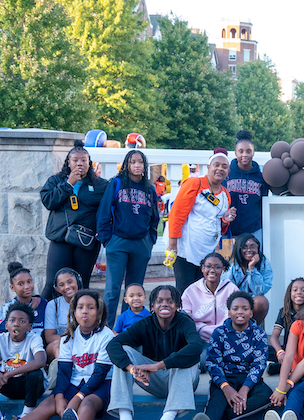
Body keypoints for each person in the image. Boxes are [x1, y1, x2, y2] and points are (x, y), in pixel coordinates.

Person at [0, 290, 114, 420]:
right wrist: (60, 396)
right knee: (49, 403)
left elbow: (99, 374)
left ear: (99, 312)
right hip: (76, 382)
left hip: (102, 384)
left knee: (87, 403)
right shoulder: (68, 338)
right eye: (80, 307)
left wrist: (77, 398)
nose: (85, 311)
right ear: (73, 312)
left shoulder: (106, 336)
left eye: (90, 307)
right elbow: (63, 372)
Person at [103, 284, 205, 420]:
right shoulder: (144, 324)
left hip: (183, 381)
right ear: (152, 306)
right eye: (159, 301)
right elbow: (113, 345)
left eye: (170, 301)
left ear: (178, 306)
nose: (165, 304)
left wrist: (159, 365)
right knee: (124, 352)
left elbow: (196, 347)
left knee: (187, 356)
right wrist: (132, 369)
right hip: (153, 381)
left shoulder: (185, 322)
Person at [191, 292, 270, 420]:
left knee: (266, 395)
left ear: (251, 313)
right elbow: (213, 363)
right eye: (235, 308)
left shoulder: (259, 334)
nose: (240, 312)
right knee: (217, 401)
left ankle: (222, 417)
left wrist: (245, 390)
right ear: (229, 312)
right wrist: (226, 387)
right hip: (225, 379)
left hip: (250, 379)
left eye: (245, 308)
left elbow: (259, 364)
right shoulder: (219, 333)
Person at [97, 148, 160, 328]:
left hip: (141, 244)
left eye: (140, 162)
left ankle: (128, 328)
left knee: (134, 290)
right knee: (112, 290)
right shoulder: (117, 184)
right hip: (118, 242)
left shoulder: (150, 189)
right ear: (127, 164)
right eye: (133, 162)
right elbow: (103, 213)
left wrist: (150, 239)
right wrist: (107, 240)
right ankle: (106, 328)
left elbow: (155, 217)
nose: (137, 165)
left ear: (145, 165)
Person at [39, 140, 107, 299]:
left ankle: (80, 320)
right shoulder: (55, 181)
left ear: (90, 163)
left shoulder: (100, 185)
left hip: (86, 241)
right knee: (53, 283)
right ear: (68, 163)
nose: (80, 164)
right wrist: (69, 183)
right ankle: (42, 318)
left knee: (81, 283)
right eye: (75, 160)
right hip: (61, 238)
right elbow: (49, 201)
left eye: (84, 160)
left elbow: (108, 209)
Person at [166, 149, 236, 293]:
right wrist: (172, 245)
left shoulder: (225, 194)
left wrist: (225, 220)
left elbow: (220, 225)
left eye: (224, 166)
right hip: (186, 250)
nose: (220, 169)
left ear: (228, 171)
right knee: (185, 293)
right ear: (209, 167)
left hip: (209, 253)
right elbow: (177, 214)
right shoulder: (194, 183)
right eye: (216, 165)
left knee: (202, 293)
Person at [181, 252, 238, 352]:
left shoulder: (231, 289)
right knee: (205, 362)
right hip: (201, 339)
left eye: (217, 267)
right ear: (202, 268)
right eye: (208, 266)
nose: (212, 270)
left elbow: (238, 315)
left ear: (223, 269)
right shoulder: (191, 291)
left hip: (227, 338)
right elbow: (184, 318)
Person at [224, 130, 269, 243]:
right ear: (235, 153)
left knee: (253, 260)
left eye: (248, 151)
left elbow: (263, 202)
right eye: (241, 151)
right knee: (229, 261)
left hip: (254, 231)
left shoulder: (261, 177)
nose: (244, 155)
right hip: (230, 231)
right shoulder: (227, 174)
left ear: (253, 153)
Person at [224, 232, 272, 325]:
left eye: (252, 246)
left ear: (258, 247)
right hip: (233, 300)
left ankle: (253, 328)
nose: (249, 250)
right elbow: (227, 290)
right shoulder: (231, 265)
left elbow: (259, 292)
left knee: (261, 301)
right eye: (244, 247)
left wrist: (252, 268)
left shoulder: (264, 263)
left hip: (252, 301)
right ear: (238, 248)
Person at [269, 278, 304, 375]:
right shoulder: (284, 312)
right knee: (263, 350)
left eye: (303, 290)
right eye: (295, 290)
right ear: (290, 293)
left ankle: (284, 366)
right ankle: (287, 364)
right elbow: (273, 337)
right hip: (288, 350)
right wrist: (280, 352)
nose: (299, 293)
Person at [42, 268, 81, 361]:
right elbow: (49, 337)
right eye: (62, 285)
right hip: (62, 344)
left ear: (78, 281)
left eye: (70, 282)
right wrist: (73, 341)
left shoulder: (88, 301)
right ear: (57, 289)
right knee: (56, 344)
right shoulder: (53, 305)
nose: (67, 287)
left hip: (85, 344)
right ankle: (62, 370)